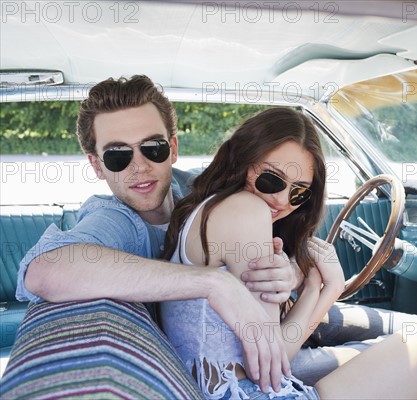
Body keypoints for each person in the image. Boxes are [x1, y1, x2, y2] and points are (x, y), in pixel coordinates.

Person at [160, 107, 417, 399]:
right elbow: (270, 363)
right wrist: (325, 290)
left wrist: (306, 282)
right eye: (271, 179)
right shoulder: (245, 210)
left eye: (298, 192)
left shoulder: (204, 211)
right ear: (242, 160)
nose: (280, 200)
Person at [1, 75, 295, 397]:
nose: (139, 166)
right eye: (117, 156)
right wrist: (214, 283)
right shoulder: (117, 220)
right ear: (97, 166)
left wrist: (288, 270)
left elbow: (277, 219)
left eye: (153, 148)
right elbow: (44, 271)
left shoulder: (201, 189)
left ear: (174, 149)